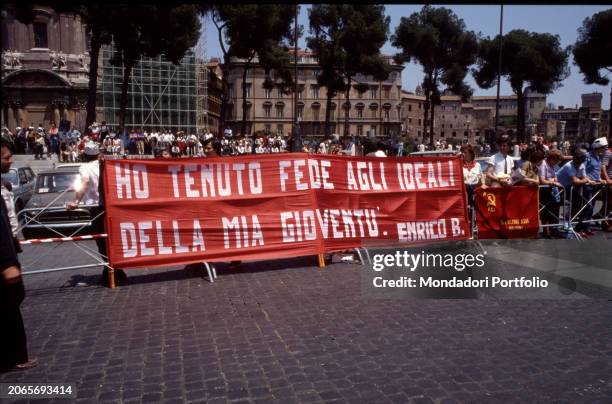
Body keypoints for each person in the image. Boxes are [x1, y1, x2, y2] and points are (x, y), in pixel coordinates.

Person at [1, 134, 38, 372]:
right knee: (10, 306)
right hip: (3, 259)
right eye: (5, 157)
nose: (10, 160)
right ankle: (13, 356)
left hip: (7, 251)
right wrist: (7, 260)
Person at [66, 142, 127, 286]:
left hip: (96, 207)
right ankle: (117, 271)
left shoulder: (85, 167)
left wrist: (76, 201)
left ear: (84, 155)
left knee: (102, 241)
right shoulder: (105, 165)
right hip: (110, 206)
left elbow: (85, 182)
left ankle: (111, 272)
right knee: (111, 239)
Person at [556, 148, 596, 237]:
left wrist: (584, 180)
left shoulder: (581, 165)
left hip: (570, 188)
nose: (578, 164)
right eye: (577, 162)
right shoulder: (568, 166)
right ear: (574, 159)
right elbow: (576, 181)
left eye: (580, 162)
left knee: (584, 205)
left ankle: (577, 226)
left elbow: (584, 177)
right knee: (556, 208)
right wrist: (583, 180)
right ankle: (563, 225)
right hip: (559, 189)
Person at [538, 150, 564, 237]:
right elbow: (542, 180)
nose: (557, 163)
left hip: (551, 190)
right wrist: (551, 182)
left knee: (553, 210)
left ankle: (553, 229)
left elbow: (555, 177)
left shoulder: (552, 166)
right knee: (545, 211)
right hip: (544, 191)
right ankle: (546, 230)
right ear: (552, 158)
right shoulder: (543, 164)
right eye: (556, 160)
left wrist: (553, 180)